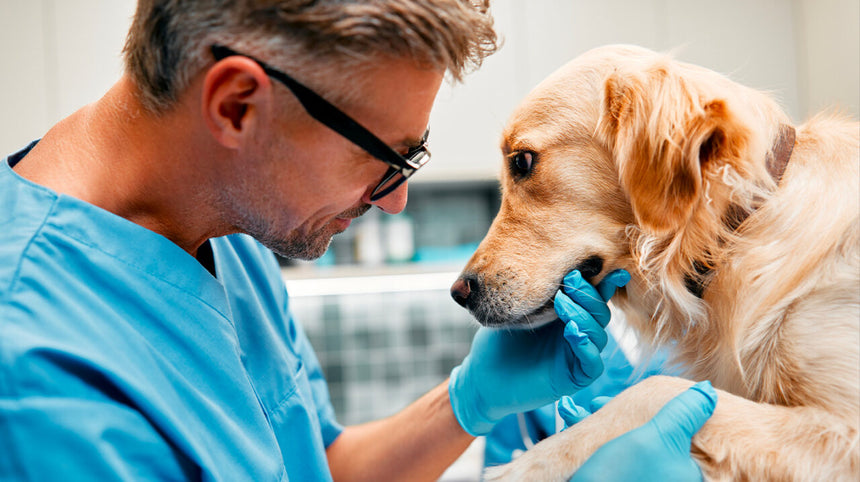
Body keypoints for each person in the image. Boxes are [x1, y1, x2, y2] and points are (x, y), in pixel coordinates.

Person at [0, 1, 715, 480]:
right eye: (386, 157)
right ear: (237, 105)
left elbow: (321, 467)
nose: (397, 198)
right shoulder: (38, 369)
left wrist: (469, 401)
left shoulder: (225, 229)